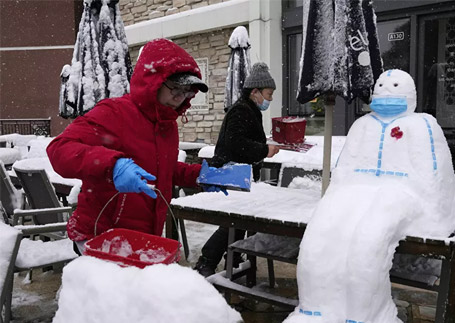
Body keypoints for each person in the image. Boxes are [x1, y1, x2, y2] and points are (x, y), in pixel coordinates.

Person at [47, 38, 211, 253]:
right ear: (153, 81)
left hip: (142, 235)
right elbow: (59, 149)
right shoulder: (114, 112)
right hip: (101, 235)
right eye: (176, 88)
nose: (181, 97)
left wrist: (200, 175)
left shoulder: (167, 124)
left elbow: (161, 169)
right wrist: (113, 165)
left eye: (188, 92)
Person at [194, 62, 280, 276]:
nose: (269, 99)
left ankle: (232, 256)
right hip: (231, 174)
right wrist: (263, 149)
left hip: (240, 175)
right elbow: (236, 143)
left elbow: (245, 139)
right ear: (255, 92)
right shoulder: (241, 110)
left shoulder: (249, 110)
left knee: (239, 221)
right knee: (234, 222)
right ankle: (207, 261)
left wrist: (264, 145)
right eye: (268, 94)